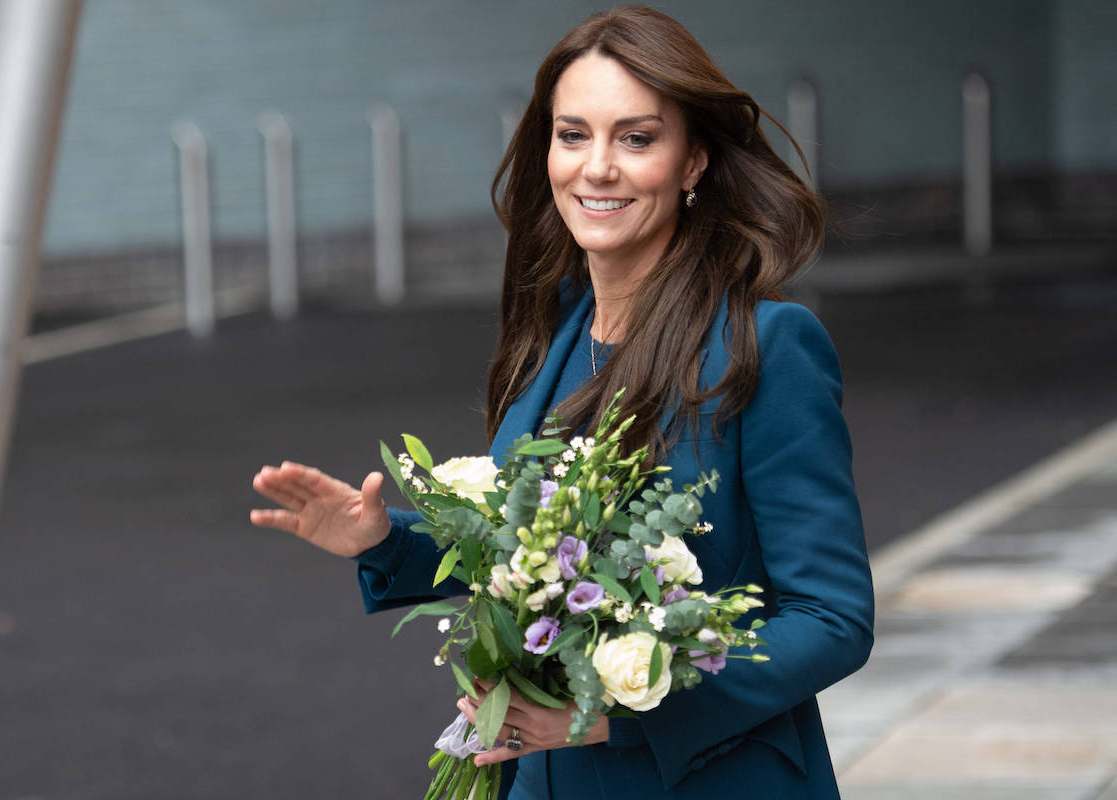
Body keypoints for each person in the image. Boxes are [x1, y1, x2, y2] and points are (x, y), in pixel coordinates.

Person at [250, 6, 873, 798]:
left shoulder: (767, 345)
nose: (597, 168)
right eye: (573, 134)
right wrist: (382, 542)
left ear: (694, 163)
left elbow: (832, 620)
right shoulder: (558, 326)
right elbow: (531, 554)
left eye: (637, 138)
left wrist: (620, 710)